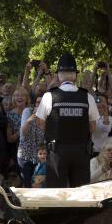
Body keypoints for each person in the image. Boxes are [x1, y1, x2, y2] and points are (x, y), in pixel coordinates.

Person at [34, 53, 99, 187]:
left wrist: (54, 130)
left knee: (56, 193)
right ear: (75, 75)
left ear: (58, 75)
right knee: (81, 192)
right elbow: (93, 127)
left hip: (57, 152)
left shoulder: (49, 96)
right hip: (81, 152)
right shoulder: (87, 97)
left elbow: (39, 122)